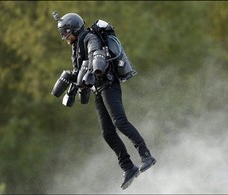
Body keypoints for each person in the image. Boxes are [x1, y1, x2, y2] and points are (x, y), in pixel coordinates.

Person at [52, 12, 156, 190]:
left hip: (109, 84)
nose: (64, 37)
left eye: (66, 32)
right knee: (107, 133)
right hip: (98, 89)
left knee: (120, 122)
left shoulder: (90, 38)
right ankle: (128, 167)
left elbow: (95, 53)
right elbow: (79, 70)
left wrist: (95, 66)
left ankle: (146, 155)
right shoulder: (76, 46)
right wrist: (71, 79)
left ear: (74, 29)